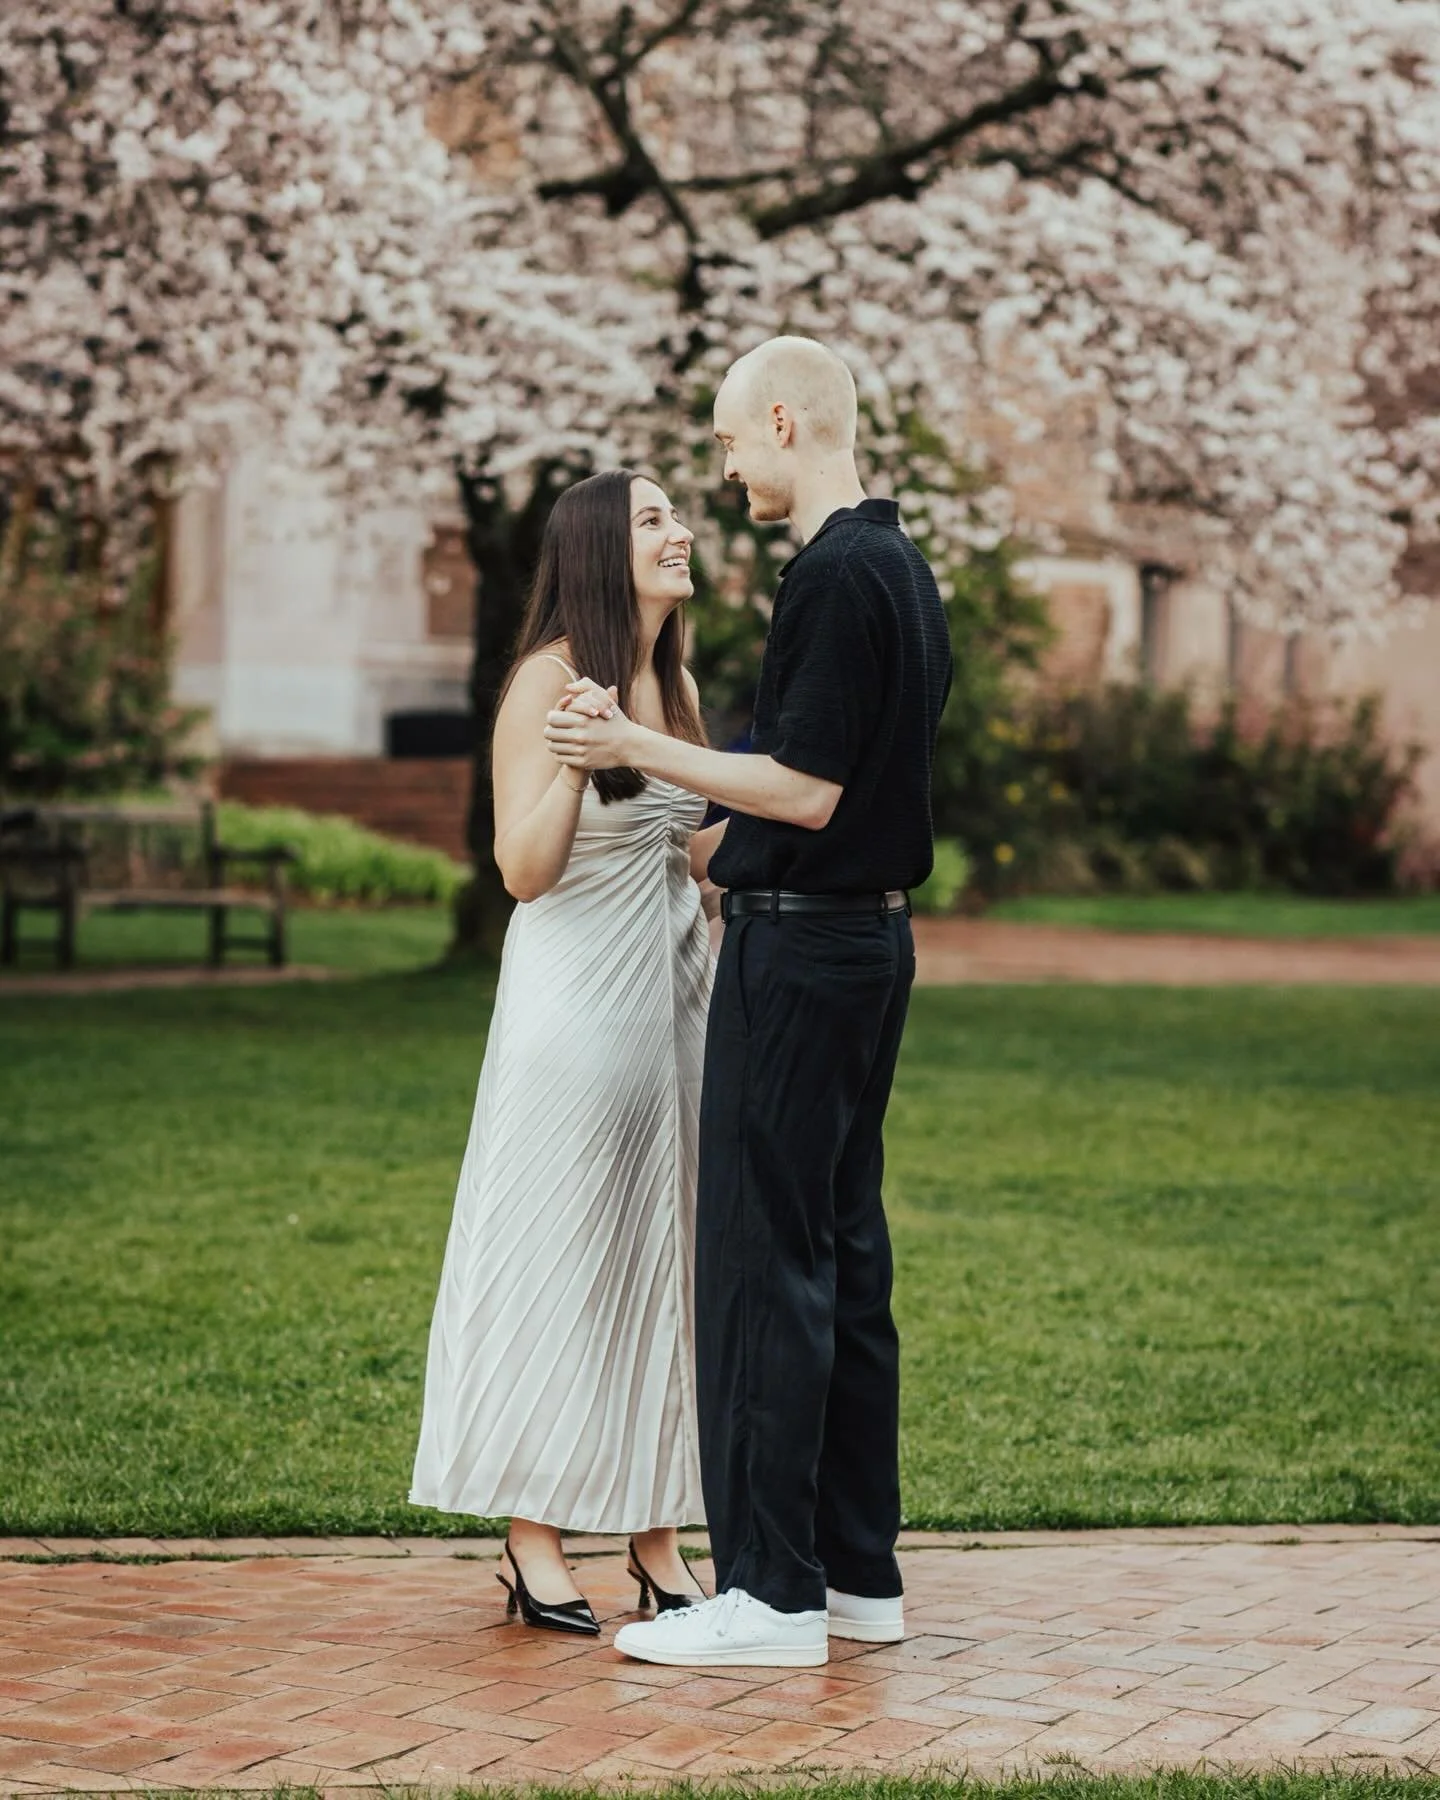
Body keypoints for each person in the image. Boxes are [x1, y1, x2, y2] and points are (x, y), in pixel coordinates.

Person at [545, 336, 953, 1668]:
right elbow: (823, 794)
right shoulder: (899, 567)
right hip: (866, 949)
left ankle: (771, 1594)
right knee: (842, 1260)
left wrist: (627, 746)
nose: (724, 472)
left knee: (761, 1269)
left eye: (727, 444)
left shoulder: (834, 575)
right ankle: (856, 1583)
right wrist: (706, 821)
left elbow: (808, 790)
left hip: (802, 962)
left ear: (785, 419)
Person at [410, 468, 726, 1633]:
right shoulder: (548, 677)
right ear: (600, 548)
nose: (680, 531)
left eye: (675, 514)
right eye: (653, 519)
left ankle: (659, 1539)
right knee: (563, 1260)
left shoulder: (672, 679)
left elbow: (680, 847)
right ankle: (533, 1537)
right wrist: (586, 757)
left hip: (678, 1003)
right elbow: (524, 870)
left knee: (669, 1267)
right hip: (575, 1013)